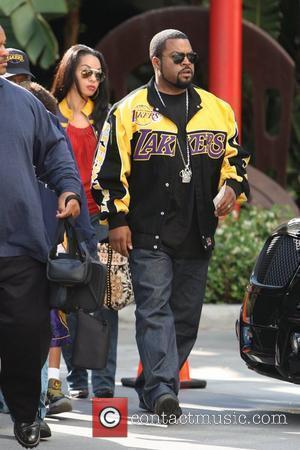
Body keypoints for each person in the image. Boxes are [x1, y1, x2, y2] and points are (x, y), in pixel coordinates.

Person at [91, 29, 251, 421]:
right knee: (154, 310)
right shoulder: (128, 111)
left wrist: (231, 187)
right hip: (147, 231)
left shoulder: (217, 110)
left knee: (185, 316)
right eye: (177, 57)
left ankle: (154, 387)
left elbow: (238, 160)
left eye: (191, 57)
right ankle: (164, 389)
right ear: (156, 62)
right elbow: (107, 173)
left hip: (198, 230)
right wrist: (117, 220)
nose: (186, 63)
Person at [0, 26, 81, 448]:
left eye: (2, 43)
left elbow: (55, 151)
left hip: (20, 245)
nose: (2, 52)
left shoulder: (25, 103)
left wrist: (68, 188)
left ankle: (25, 413)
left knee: (28, 334)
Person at [52, 44, 118, 399]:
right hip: (63, 219)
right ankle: (77, 380)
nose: (93, 79)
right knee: (67, 300)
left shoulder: (107, 116)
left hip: (102, 218)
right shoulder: (50, 113)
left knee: (104, 301)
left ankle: (104, 383)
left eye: (98, 74)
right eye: (86, 73)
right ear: (70, 73)